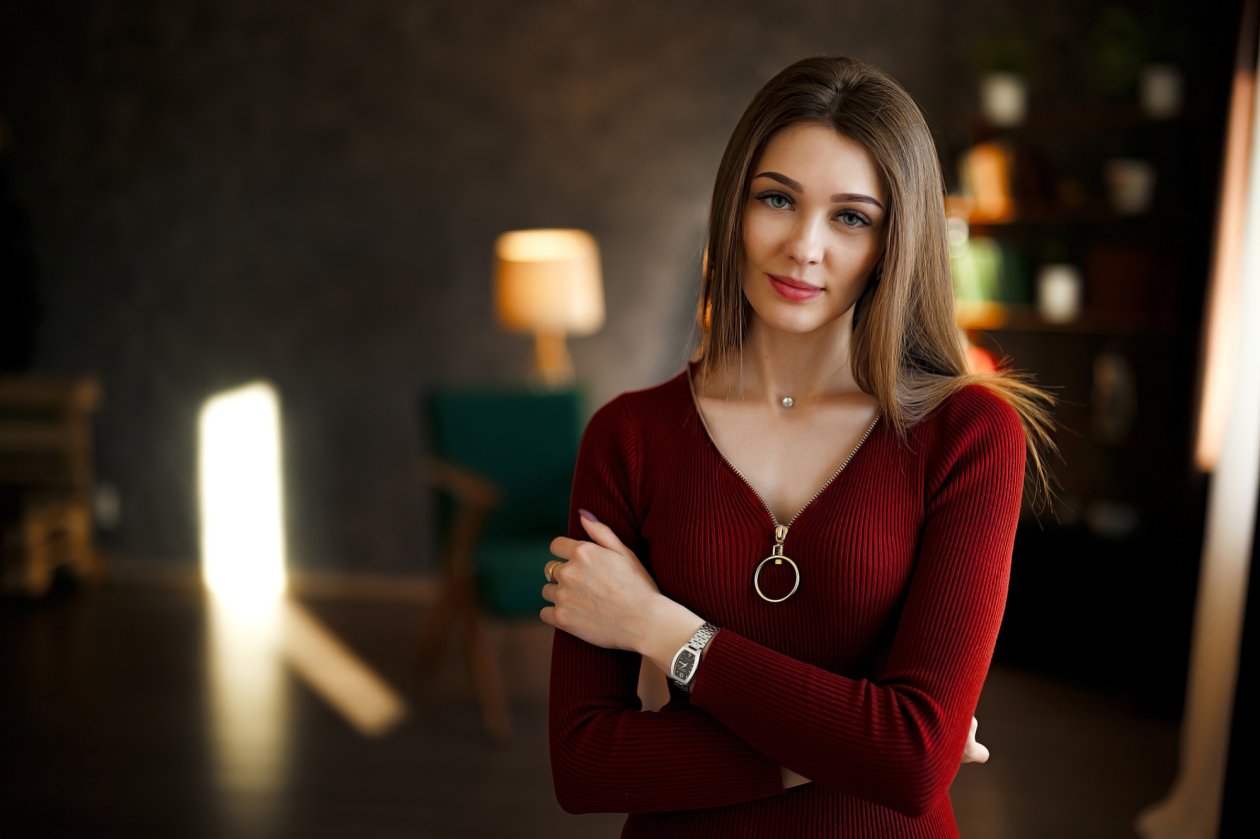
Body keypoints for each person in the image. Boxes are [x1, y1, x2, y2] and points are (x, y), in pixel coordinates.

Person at [539, 55, 1055, 838]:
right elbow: (586, 763)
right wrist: (852, 743)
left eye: (851, 217)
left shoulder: (970, 435)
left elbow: (912, 761)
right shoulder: (629, 436)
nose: (803, 246)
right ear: (734, 209)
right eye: (777, 199)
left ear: (894, 241)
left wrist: (663, 630)